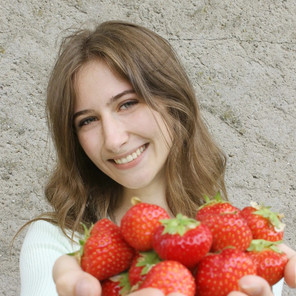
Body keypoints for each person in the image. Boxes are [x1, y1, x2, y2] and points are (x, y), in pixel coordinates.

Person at [19, 20, 296, 296]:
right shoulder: (58, 246)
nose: (114, 139)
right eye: (88, 120)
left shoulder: (243, 251)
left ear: (173, 103)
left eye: (127, 103)